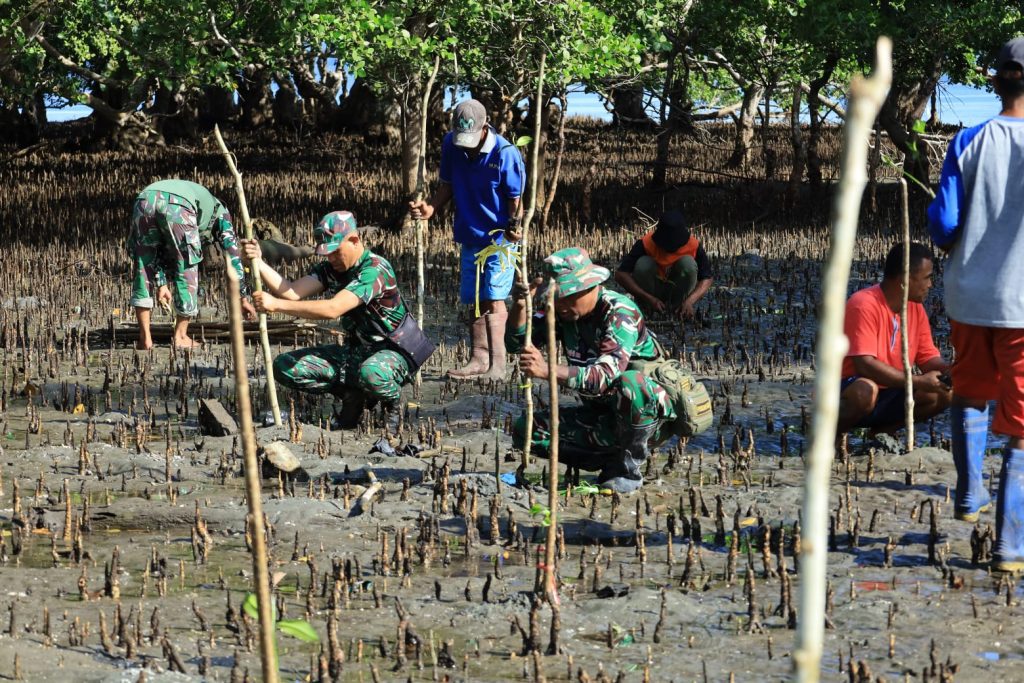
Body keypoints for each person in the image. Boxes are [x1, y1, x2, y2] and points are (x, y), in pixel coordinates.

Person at [928, 37, 1024, 570]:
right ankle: (1011, 545)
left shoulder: (967, 141)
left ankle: (968, 496)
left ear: (995, 81)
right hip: (1021, 304)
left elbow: (943, 226)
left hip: (968, 295)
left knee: (970, 391)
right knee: (1021, 419)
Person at [507, 247, 676, 494]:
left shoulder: (619, 312)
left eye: (567, 296)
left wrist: (547, 370)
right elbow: (515, 342)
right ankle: (608, 458)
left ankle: (627, 470)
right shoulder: (561, 311)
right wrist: (520, 306)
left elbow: (602, 377)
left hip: (644, 415)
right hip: (600, 414)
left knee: (631, 383)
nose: (560, 304)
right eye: (556, 297)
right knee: (527, 430)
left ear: (591, 287)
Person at [241, 211, 429, 427]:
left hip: (393, 353)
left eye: (335, 252)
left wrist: (276, 305)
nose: (331, 259)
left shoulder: (374, 269)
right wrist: (258, 261)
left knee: (372, 373)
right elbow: (291, 291)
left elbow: (333, 308)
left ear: (354, 240)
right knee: (285, 366)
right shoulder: (331, 269)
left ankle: (392, 406)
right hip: (356, 352)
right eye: (327, 254)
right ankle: (353, 395)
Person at [409, 99, 526, 381]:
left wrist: (514, 227)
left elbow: (515, 198)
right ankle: (478, 358)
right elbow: (448, 184)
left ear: (485, 127)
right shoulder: (451, 143)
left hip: (499, 237)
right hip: (469, 232)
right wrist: (431, 208)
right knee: (474, 298)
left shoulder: (506, 152)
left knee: (494, 297)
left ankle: (498, 366)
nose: (467, 146)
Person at [837, 242, 951, 435]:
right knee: (865, 391)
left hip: (891, 390)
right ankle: (834, 435)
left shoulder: (915, 308)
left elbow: (928, 358)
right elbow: (865, 365)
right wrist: (918, 381)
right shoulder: (863, 304)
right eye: (927, 278)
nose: (930, 285)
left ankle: (881, 434)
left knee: (945, 394)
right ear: (904, 280)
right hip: (850, 388)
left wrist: (952, 371)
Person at [129, 179, 255, 349]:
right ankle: (181, 336)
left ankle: (145, 338)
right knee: (187, 264)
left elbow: (154, 253)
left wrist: (162, 284)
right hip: (178, 205)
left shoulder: (201, 199)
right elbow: (233, 254)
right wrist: (242, 296)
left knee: (143, 263)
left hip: (143, 200)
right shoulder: (222, 213)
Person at [614, 209, 714, 318]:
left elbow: (707, 278)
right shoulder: (646, 243)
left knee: (688, 263)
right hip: (651, 292)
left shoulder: (693, 245)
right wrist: (648, 298)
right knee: (643, 264)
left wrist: (690, 301)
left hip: (677, 291)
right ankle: (647, 308)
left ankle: (679, 308)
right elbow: (621, 274)